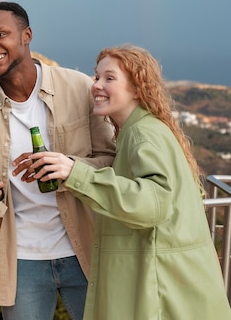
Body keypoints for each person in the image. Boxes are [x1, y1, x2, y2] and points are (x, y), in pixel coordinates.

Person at [28, 45, 231, 319]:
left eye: (109, 78)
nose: (96, 85)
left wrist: (74, 172)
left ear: (138, 88)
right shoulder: (140, 131)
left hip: (163, 294)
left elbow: (153, 204)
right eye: (96, 77)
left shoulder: (142, 135)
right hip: (174, 287)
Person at [0, 1, 115, 320]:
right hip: (21, 261)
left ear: (26, 35)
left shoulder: (80, 86)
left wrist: (68, 167)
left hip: (86, 248)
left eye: (0, 34)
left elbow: (110, 162)